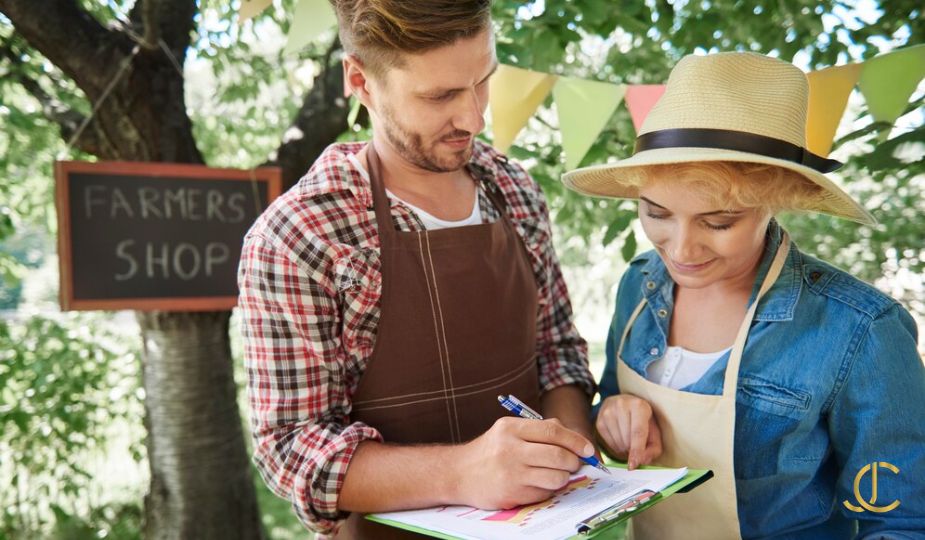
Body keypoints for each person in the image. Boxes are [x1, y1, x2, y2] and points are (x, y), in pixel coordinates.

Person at [237, 1, 597, 537]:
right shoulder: (301, 236)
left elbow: (557, 353)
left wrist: (570, 454)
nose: (475, 117)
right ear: (360, 80)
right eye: (440, 96)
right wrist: (463, 472)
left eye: (483, 80)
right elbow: (291, 448)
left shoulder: (516, 191)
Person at [564, 52, 925, 539]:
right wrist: (611, 417)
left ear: (778, 201)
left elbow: (903, 522)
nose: (681, 249)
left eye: (718, 222)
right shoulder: (639, 285)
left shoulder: (860, 330)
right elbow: (611, 408)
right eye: (657, 213)